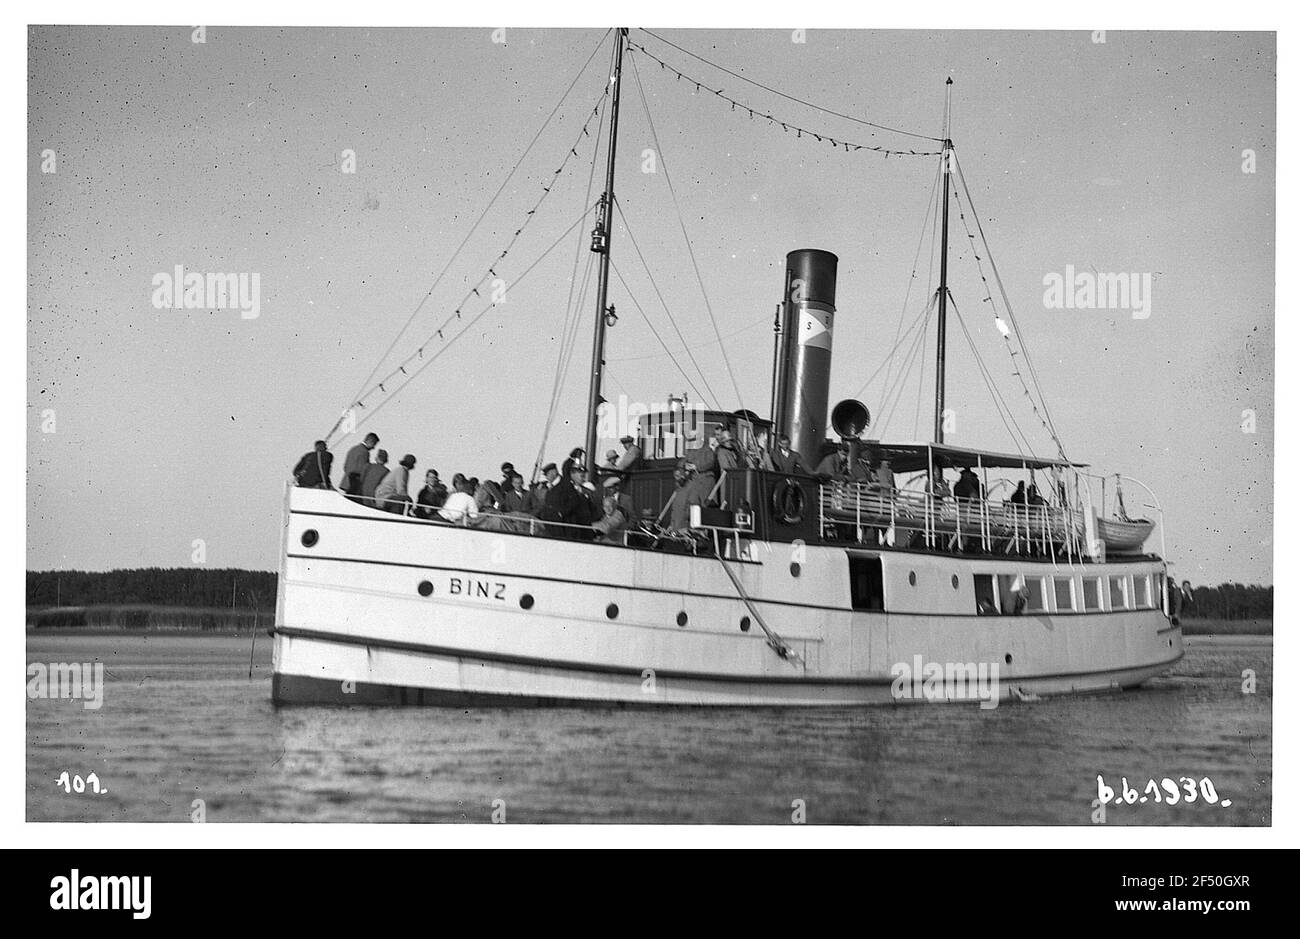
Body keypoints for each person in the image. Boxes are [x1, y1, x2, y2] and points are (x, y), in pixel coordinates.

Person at [342, 432, 379, 498]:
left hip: (346, 482)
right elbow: (362, 470)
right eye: (374, 444)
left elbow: (345, 466)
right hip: (354, 484)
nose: (373, 447)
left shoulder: (353, 449)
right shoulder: (364, 452)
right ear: (370, 441)